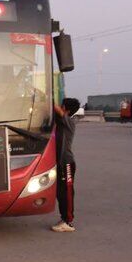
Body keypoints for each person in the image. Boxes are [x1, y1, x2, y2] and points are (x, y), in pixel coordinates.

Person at [51, 98, 80, 232]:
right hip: (60, 164)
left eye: (62, 105)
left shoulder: (69, 122)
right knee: (60, 193)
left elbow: (56, 109)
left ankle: (68, 222)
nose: (59, 107)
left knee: (67, 193)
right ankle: (64, 218)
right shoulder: (61, 121)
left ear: (66, 109)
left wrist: (46, 98)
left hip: (67, 163)